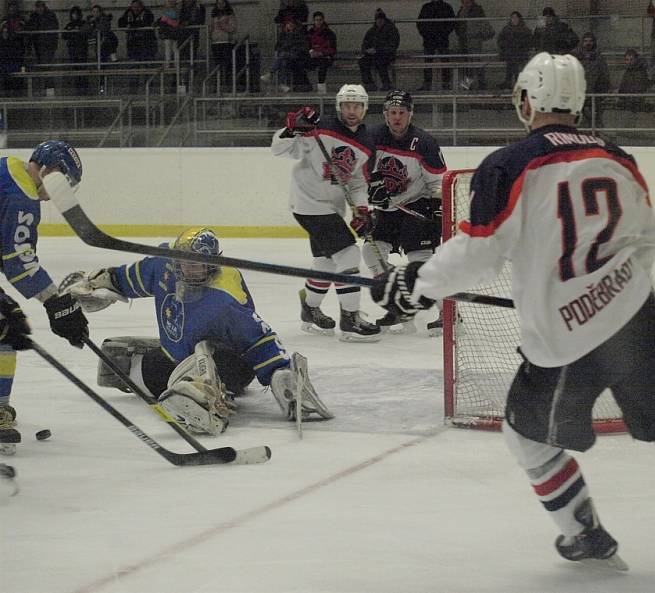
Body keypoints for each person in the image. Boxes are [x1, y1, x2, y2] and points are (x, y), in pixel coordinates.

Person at [370, 53, 655, 575]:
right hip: (643, 323)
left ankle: (585, 534)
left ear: (526, 100)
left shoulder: (509, 164)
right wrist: (610, 290)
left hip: (566, 343)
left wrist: (416, 286)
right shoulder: (618, 157)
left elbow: (479, 253)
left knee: (526, 436)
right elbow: (645, 241)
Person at [61, 227, 332, 435]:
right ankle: (181, 383)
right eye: (183, 262)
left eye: (195, 264)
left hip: (230, 362)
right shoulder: (164, 265)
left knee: (206, 357)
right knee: (134, 369)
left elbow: (258, 339)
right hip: (176, 357)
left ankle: (212, 397)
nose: (187, 269)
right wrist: (99, 284)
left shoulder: (224, 297)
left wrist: (279, 372)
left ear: (211, 264)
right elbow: (128, 278)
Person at [271, 84, 381, 342]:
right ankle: (350, 318)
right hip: (308, 203)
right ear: (338, 107)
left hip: (331, 207)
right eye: (346, 105)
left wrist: (362, 209)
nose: (351, 111)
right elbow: (280, 150)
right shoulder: (319, 130)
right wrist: (291, 130)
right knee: (349, 254)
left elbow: (357, 183)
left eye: (356, 106)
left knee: (327, 261)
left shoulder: (366, 144)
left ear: (364, 108)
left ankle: (310, 308)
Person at [0, 141, 90, 455]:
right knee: (6, 328)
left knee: (6, 322)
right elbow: (17, 262)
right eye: (63, 183)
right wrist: (56, 302)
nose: (56, 194)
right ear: (51, 171)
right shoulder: (22, 195)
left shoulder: (6, 168)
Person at [366, 90, 446, 336]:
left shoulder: (424, 143)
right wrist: (371, 191)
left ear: (410, 115)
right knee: (371, 252)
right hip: (389, 209)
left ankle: (450, 315)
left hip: (418, 205)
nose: (397, 118)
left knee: (421, 262)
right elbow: (362, 173)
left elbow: (439, 182)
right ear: (385, 115)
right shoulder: (373, 137)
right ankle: (399, 304)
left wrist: (437, 209)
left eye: (402, 113)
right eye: (393, 113)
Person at [571, 31, 610, 128]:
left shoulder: (599, 58)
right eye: (586, 41)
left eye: (591, 41)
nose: (588, 43)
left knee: (594, 119)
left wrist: (602, 91)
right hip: (578, 93)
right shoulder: (575, 57)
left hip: (594, 93)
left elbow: (604, 75)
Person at [416, 0, 456, 91]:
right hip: (434, 39)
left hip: (435, 39)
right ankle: (435, 83)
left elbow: (452, 23)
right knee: (430, 63)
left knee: (442, 62)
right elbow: (420, 23)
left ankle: (444, 83)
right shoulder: (444, 6)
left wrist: (427, 34)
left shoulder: (428, 7)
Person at [454, 0, 493, 90]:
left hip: (473, 42)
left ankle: (480, 84)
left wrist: (477, 36)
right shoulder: (462, 10)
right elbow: (458, 25)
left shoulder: (476, 10)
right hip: (464, 41)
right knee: (468, 65)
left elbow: (482, 25)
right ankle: (468, 85)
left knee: (476, 64)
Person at [359, 8, 400, 92]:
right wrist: (366, 50)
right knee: (362, 61)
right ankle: (369, 84)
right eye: (378, 20)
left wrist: (377, 50)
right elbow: (365, 43)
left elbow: (393, 45)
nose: (379, 22)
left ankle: (386, 83)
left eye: (381, 20)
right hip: (375, 54)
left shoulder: (391, 30)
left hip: (387, 54)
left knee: (380, 61)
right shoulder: (371, 31)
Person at [497, 11, 534, 89]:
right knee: (510, 69)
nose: (514, 20)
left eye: (516, 18)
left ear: (519, 19)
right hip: (510, 55)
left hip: (520, 56)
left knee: (518, 72)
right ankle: (509, 84)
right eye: (513, 18)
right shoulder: (506, 29)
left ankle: (518, 86)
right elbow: (500, 40)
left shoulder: (524, 29)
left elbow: (529, 42)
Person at [305, 11, 335, 94]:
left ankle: (321, 88)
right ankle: (305, 86)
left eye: (320, 20)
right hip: (313, 56)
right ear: (314, 21)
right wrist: (311, 51)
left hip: (325, 57)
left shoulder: (329, 33)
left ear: (323, 20)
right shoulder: (310, 32)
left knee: (323, 64)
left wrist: (322, 53)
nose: (318, 22)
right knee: (299, 63)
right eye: (316, 20)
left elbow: (332, 49)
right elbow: (306, 45)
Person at [63, 6, 90, 94]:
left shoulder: (83, 23)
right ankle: (77, 87)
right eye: (73, 14)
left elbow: (87, 33)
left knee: (83, 68)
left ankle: (84, 88)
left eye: (76, 14)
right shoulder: (69, 25)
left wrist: (77, 32)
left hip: (82, 49)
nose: (75, 16)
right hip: (73, 50)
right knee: (75, 69)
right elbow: (64, 35)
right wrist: (72, 32)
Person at [617, 48, 653, 114]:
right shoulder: (627, 72)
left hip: (637, 103)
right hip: (629, 102)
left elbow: (640, 88)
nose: (629, 62)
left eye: (631, 59)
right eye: (627, 60)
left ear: (636, 59)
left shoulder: (641, 72)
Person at [210, 0, 237, 87]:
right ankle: (218, 82)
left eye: (222, 3)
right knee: (217, 64)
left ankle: (228, 83)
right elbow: (211, 27)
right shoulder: (214, 16)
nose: (220, 5)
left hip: (226, 41)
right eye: (219, 4)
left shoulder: (230, 15)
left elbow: (233, 28)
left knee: (227, 63)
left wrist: (223, 26)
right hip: (215, 42)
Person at [26, 0, 59, 64]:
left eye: (40, 7)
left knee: (47, 59)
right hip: (38, 42)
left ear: (44, 7)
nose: (39, 9)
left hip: (48, 42)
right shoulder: (33, 15)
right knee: (40, 59)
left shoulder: (51, 15)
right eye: (37, 7)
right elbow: (30, 26)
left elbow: (54, 27)